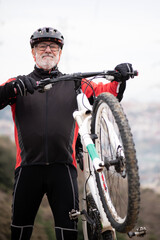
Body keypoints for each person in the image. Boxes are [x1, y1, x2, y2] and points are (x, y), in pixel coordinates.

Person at [0, 27, 134, 240]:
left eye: (53, 46)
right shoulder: (20, 84)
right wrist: (10, 89)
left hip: (63, 168)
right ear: (32, 52)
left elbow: (107, 92)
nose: (48, 50)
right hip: (27, 168)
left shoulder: (75, 83)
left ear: (60, 53)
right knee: (19, 231)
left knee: (67, 232)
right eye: (42, 46)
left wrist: (121, 77)